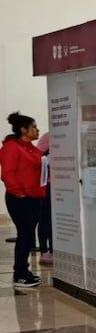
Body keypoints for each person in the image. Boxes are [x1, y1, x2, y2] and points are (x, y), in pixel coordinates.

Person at [1, 112, 46, 288]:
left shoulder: (33, 149)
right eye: (33, 127)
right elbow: (7, 173)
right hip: (19, 198)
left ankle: (24, 271)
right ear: (23, 129)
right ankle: (19, 274)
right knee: (25, 235)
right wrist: (18, 193)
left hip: (35, 197)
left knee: (27, 235)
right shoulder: (11, 147)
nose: (37, 130)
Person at [35, 130, 52, 266]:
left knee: (55, 220)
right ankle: (44, 250)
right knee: (45, 218)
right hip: (47, 184)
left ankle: (53, 250)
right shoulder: (47, 138)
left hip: (63, 185)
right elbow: (38, 158)